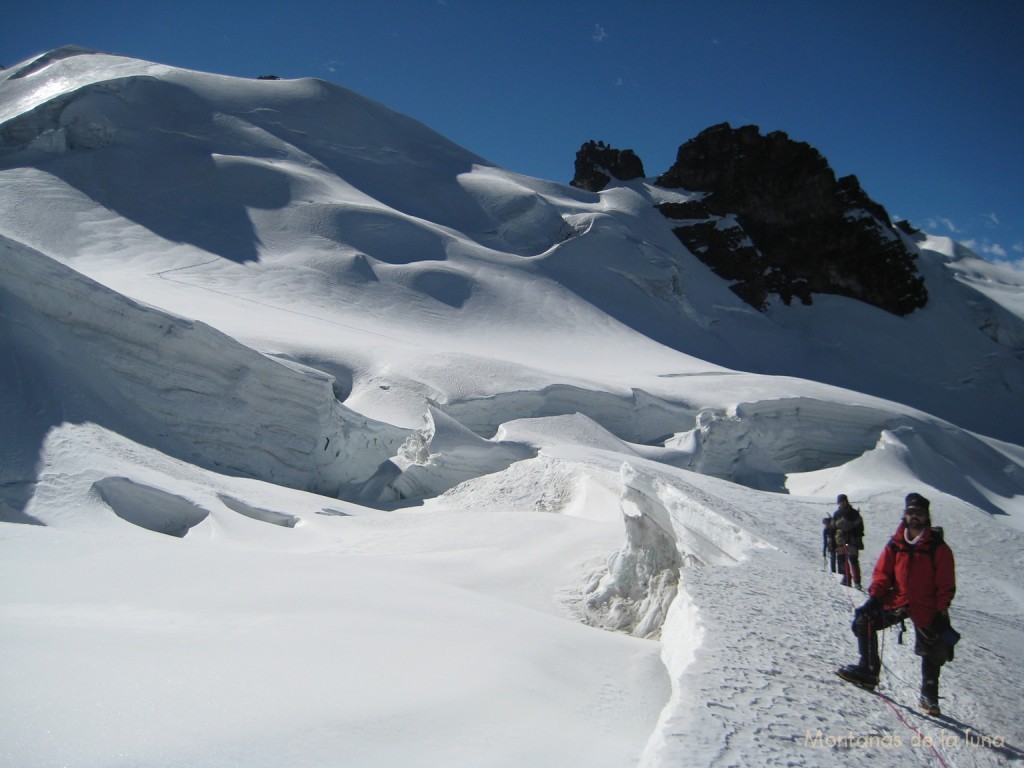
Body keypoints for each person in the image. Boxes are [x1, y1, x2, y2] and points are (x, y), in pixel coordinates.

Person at [837, 493, 957, 715]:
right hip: (899, 599)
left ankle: (929, 696)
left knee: (932, 645)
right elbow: (883, 573)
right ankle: (869, 669)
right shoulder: (896, 543)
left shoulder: (938, 547)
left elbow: (945, 583)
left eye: (919, 513)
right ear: (905, 514)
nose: (914, 517)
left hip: (927, 604)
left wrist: (941, 609)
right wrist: (874, 597)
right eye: (911, 512)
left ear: (926, 516)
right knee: (865, 620)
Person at [833, 494, 865, 589]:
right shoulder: (837, 514)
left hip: (852, 539)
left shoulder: (853, 513)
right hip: (841, 540)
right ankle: (847, 578)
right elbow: (833, 528)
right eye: (840, 502)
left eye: (843, 501)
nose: (842, 503)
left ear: (846, 501)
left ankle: (856, 581)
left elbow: (860, 527)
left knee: (853, 560)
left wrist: (858, 538)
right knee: (842, 560)